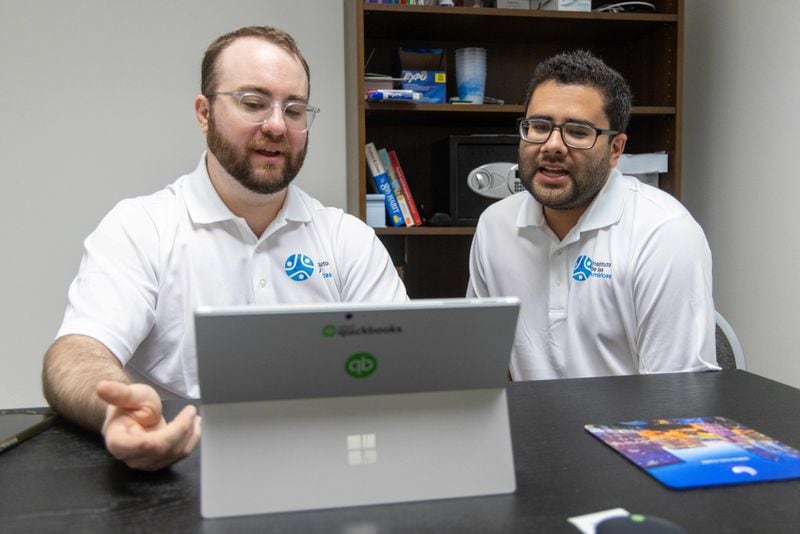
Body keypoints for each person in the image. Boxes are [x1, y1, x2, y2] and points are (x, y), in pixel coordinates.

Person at [42, 26, 407, 471]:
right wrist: (114, 409)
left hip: (326, 469)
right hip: (181, 471)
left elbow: (401, 369)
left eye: (294, 110)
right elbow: (76, 353)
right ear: (204, 113)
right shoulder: (143, 227)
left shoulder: (347, 239)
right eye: (253, 103)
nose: (276, 125)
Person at [467, 50, 718, 380]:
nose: (552, 145)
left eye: (578, 132)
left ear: (616, 150)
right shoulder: (495, 225)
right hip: (530, 429)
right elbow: (486, 366)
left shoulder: (664, 233)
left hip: (628, 430)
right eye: (539, 126)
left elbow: (677, 397)